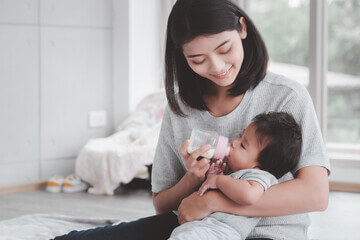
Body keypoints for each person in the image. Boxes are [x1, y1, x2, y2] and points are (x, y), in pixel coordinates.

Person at [54, 0, 330, 239]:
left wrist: (214, 202)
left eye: (224, 49)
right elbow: (163, 205)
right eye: (198, 59)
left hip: (269, 232)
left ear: (242, 29)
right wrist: (191, 179)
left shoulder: (287, 95)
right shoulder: (180, 107)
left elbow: (315, 195)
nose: (217, 67)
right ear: (182, 57)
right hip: (191, 227)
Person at [169, 112, 302, 239]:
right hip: (203, 228)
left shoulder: (261, 176)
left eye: (243, 145)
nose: (234, 142)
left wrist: (219, 180)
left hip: (220, 232)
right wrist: (212, 176)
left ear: (259, 166)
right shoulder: (238, 174)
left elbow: (248, 195)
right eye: (240, 136)